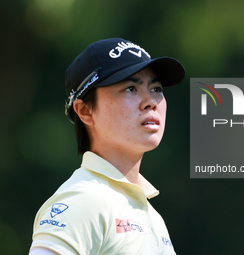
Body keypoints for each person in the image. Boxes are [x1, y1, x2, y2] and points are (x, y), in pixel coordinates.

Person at [29, 38, 185, 255]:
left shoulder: (153, 217)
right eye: (131, 88)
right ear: (84, 111)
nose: (151, 101)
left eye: (156, 88)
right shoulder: (83, 200)